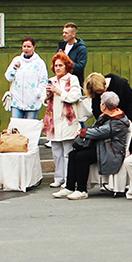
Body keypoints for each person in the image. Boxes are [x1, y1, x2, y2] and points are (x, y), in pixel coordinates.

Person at [56, 91, 130, 200]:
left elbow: (102, 131)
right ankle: (69, 187)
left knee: (82, 156)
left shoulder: (119, 120)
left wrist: (83, 132)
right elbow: (96, 128)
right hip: (102, 147)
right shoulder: (106, 116)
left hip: (111, 151)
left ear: (104, 106)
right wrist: (84, 130)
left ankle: (82, 190)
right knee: (73, 154)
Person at [43, 51, 83, 189]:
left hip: (68, 120)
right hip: (53, 121)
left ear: (66, 66)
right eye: (55, 65)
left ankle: (68, 179)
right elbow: (44, 101)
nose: (58, 68)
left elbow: (75, 96)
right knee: (56, 152)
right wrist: (47, 95)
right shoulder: (51, 80)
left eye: (60, 65)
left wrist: (59, 91)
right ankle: (58, 177)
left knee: (67, 151)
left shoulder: (72, 79)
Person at [4, 38, 48, 119]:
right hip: (17, 101)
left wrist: (37, 93)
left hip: (32, 102)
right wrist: (14, 68)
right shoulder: (17, 60)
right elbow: (8, 77)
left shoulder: (39, 63)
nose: (26, 49)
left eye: (28, 46)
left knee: (30, 127)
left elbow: (43, 80)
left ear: (33, 47)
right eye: (24, 46)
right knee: (16, 126)